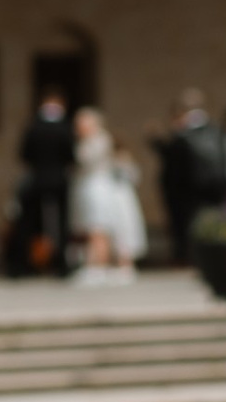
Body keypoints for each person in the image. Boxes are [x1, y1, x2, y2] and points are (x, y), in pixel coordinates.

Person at [70, 104, 146, 274]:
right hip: (90, 188)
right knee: (93, 227)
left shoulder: (99, 141)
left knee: (99, 226)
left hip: (98, 190)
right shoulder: (88, 141)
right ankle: (96, 263)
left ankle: (99, 265)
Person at [160, 93, 223, 263]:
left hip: (186, 190)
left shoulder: (182, 135)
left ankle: (190, 257)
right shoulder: (216, 130)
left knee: (188, 225)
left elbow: (174, 167)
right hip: (213, 187)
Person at [17, 92, 76, 270]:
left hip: (37, 178)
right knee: (61, 222)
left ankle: (23, 265)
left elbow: (24, 154)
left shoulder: (32, 126)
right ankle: (61, 264)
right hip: (58, 178)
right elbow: (70, 155)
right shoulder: (65, 128)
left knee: (29, 221)